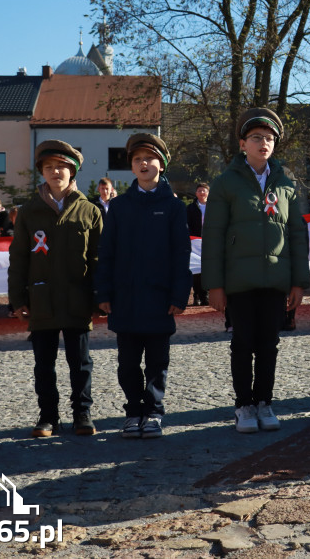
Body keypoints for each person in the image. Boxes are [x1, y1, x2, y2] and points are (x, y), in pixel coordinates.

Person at [203, 109, 309, 433]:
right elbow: (214, 236)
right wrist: (215, 285)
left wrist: (299, 283)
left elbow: (297, 235)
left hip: (276, 281)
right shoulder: (225, 184)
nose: (263, 143)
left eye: (269, 138)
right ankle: (244, 406)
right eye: (256, 138)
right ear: (242, 143)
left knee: (268, 344)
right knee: (243, 343)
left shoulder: (286, 184)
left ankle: (265, 403)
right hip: (239, 282)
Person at [96, 134, 191, 439]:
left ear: (161, 165)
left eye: (149, 158)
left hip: (160, 299)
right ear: (132, 166)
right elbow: (106, 252)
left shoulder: (175, 207)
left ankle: (153, 412)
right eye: (137, 159)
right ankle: (133, 411)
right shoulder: (119, 206)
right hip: (125, 299)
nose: (143, 163)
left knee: (157, 363)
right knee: (127, 364)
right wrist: (104, 292)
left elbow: (181, 254)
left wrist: (179, 294)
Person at [9, 141, 102, 437]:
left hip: (78, 299)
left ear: (72, 170)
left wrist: (101, 298)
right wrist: (17, 298)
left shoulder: (90, 211)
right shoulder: (29, 212)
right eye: (48, 167)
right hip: (41, 300)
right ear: (42, 173)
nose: (55, 171)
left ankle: (82, 413)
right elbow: (19, 257)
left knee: (81, 362)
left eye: (61, 166)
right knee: (44, 365)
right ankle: (48, 416)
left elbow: (99, 259)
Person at [187, 182, 210, 306]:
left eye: (204, 190)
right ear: (196, 193)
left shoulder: (214, 207)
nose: (202, 193)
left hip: (210, 241)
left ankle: (205, 295)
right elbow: (187, 224)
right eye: (200, 191)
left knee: (207, 269)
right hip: (195, 242)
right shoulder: (191, 208)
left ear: (208, 193)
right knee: (196, 269)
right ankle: (196, 296)